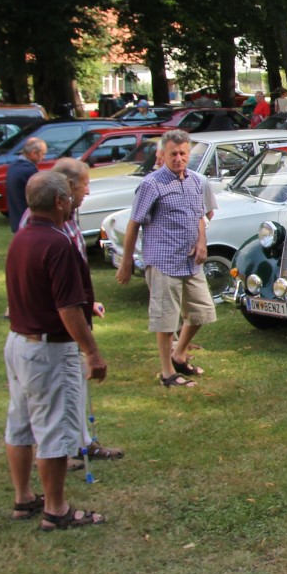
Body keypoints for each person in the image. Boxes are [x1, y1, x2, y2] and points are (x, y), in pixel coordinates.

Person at [3, 170, 107, 530]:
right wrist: (92, 352)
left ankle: (23, 498)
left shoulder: (22, 238)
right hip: (47, 349)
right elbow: (67, 309)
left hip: (18, 342)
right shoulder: (56, 244)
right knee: (54, 429)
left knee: (20, 423)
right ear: (60, 201)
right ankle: (56, 509)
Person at [113, 130, 214, 388]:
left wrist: (201, 242)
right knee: (166, 319)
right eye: (173, 154)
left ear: (189, 153)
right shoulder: (152, 184)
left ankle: (179, 354)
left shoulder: (195, 181)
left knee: (202, 312)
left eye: (183, 153)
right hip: (163, 261)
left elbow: (200, 216)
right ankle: (168, 373)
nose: (179, 158)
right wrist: (126, 262)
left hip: (191, 260)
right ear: (163, 154)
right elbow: (134, 224)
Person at [49, 158, 122, 467]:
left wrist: (87, 301)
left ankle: (83, 442)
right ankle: (61, 451)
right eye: (84, 185)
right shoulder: (47, 224)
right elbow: (53, 284)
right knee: (61, 389)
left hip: (75, 311)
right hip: (57, 327)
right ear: (67, 187)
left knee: (76, 385)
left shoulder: (69, 218)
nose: (88, 192)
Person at [5, 137, 47, 233]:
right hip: (28, 223)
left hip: (16, 220)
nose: (43, 157)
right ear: (33, 153)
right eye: (42, 154)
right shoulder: (29, 171)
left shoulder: (13, 166)